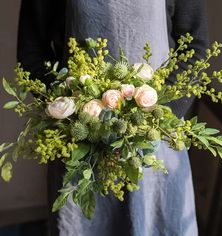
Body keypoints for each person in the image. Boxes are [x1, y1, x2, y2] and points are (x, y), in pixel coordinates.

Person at [17, 0, 208, 235]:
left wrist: (152, 116)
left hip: (155, 140)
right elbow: (31, 51)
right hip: (81, 142)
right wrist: (71, 108)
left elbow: (195, 45)